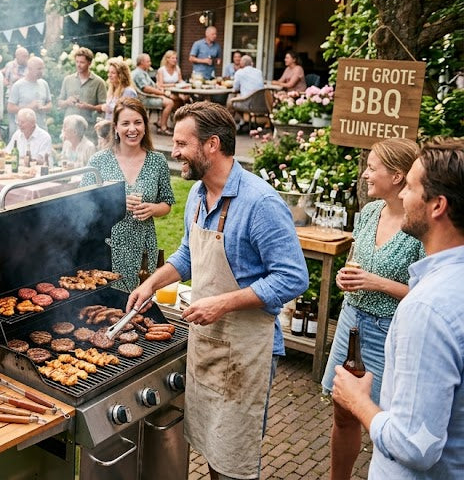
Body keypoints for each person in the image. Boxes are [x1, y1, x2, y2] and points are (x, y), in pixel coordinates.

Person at [127, 101, 308, 480]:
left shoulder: (260, 203)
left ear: (211, 145)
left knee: (235, 463)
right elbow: (187, 255)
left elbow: (293, 278)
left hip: (246, 351)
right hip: (208, 346)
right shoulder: (197, 195)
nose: (173, 152)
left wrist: (223, 304)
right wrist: (150, 283)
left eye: (181, 144)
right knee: (212, 451)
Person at [333, 138, 464, 479]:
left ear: (437, 206)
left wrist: (358, 399)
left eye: (410, 186)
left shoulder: (427, 308)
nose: (404, 196)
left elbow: (414, 446)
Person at [322, 138, 424, 480]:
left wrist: (374, 282)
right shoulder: (368, 213)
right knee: (343, 413)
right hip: (351, 321)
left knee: (382, 419)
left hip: (388, 331)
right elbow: (355, 264)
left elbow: (426, 294)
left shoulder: (418, 227)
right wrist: (345, 279)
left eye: (372, 168)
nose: (365, 174)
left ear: (397, 176)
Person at [81, 98, 174, 291]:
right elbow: (83, 202)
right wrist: (114, 202)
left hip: (143, 246)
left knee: (139, 305)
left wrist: (153, 208)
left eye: (138, 122)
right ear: (116, 127)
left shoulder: (157, 161)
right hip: (106, 245)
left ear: (145, 126)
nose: (132, 129)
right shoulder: (99, 161)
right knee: (104, 304)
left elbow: (167, 203)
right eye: (125, 123)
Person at [58, 47, 107, 127]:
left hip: (88, 126)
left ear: (89, 63)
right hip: (69, 125)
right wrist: (67, 102)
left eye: (82, 62)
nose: (78, 65)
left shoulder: (99, 82)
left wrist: (89, 107)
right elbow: (59, 103)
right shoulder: (68, 80)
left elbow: (104, 107)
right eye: (77, 62)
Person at [6, 56, 52, 133]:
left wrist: (43, 108)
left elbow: (50, 104)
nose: (42, 71)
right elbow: (10, 108)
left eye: (42, 68)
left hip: (41, 129)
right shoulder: (18, 85)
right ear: (30, 69)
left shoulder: (44, 84)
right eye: (39, 69)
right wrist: (28, 108)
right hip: (24, 131)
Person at [133, 53, 175, 135]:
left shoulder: (143, 72)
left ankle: (160, 122)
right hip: (143, 99)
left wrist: (159, 88)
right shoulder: (138, 73)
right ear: (142, 62)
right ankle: (163, 127)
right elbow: (146, 88)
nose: (150, 63)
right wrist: (162, 93)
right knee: (170, 102)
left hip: (147, 97)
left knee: (172, 99)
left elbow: (153, 85)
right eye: (148, 61)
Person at [227, 55, 267, 131]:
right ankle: (243, 121)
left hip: (248, 104)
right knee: (238, 97)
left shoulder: (240, 72)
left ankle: (229, 126)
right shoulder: (258, 72)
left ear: (242, 63)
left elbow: (235, 89)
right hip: (262, 103)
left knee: (230, 102)